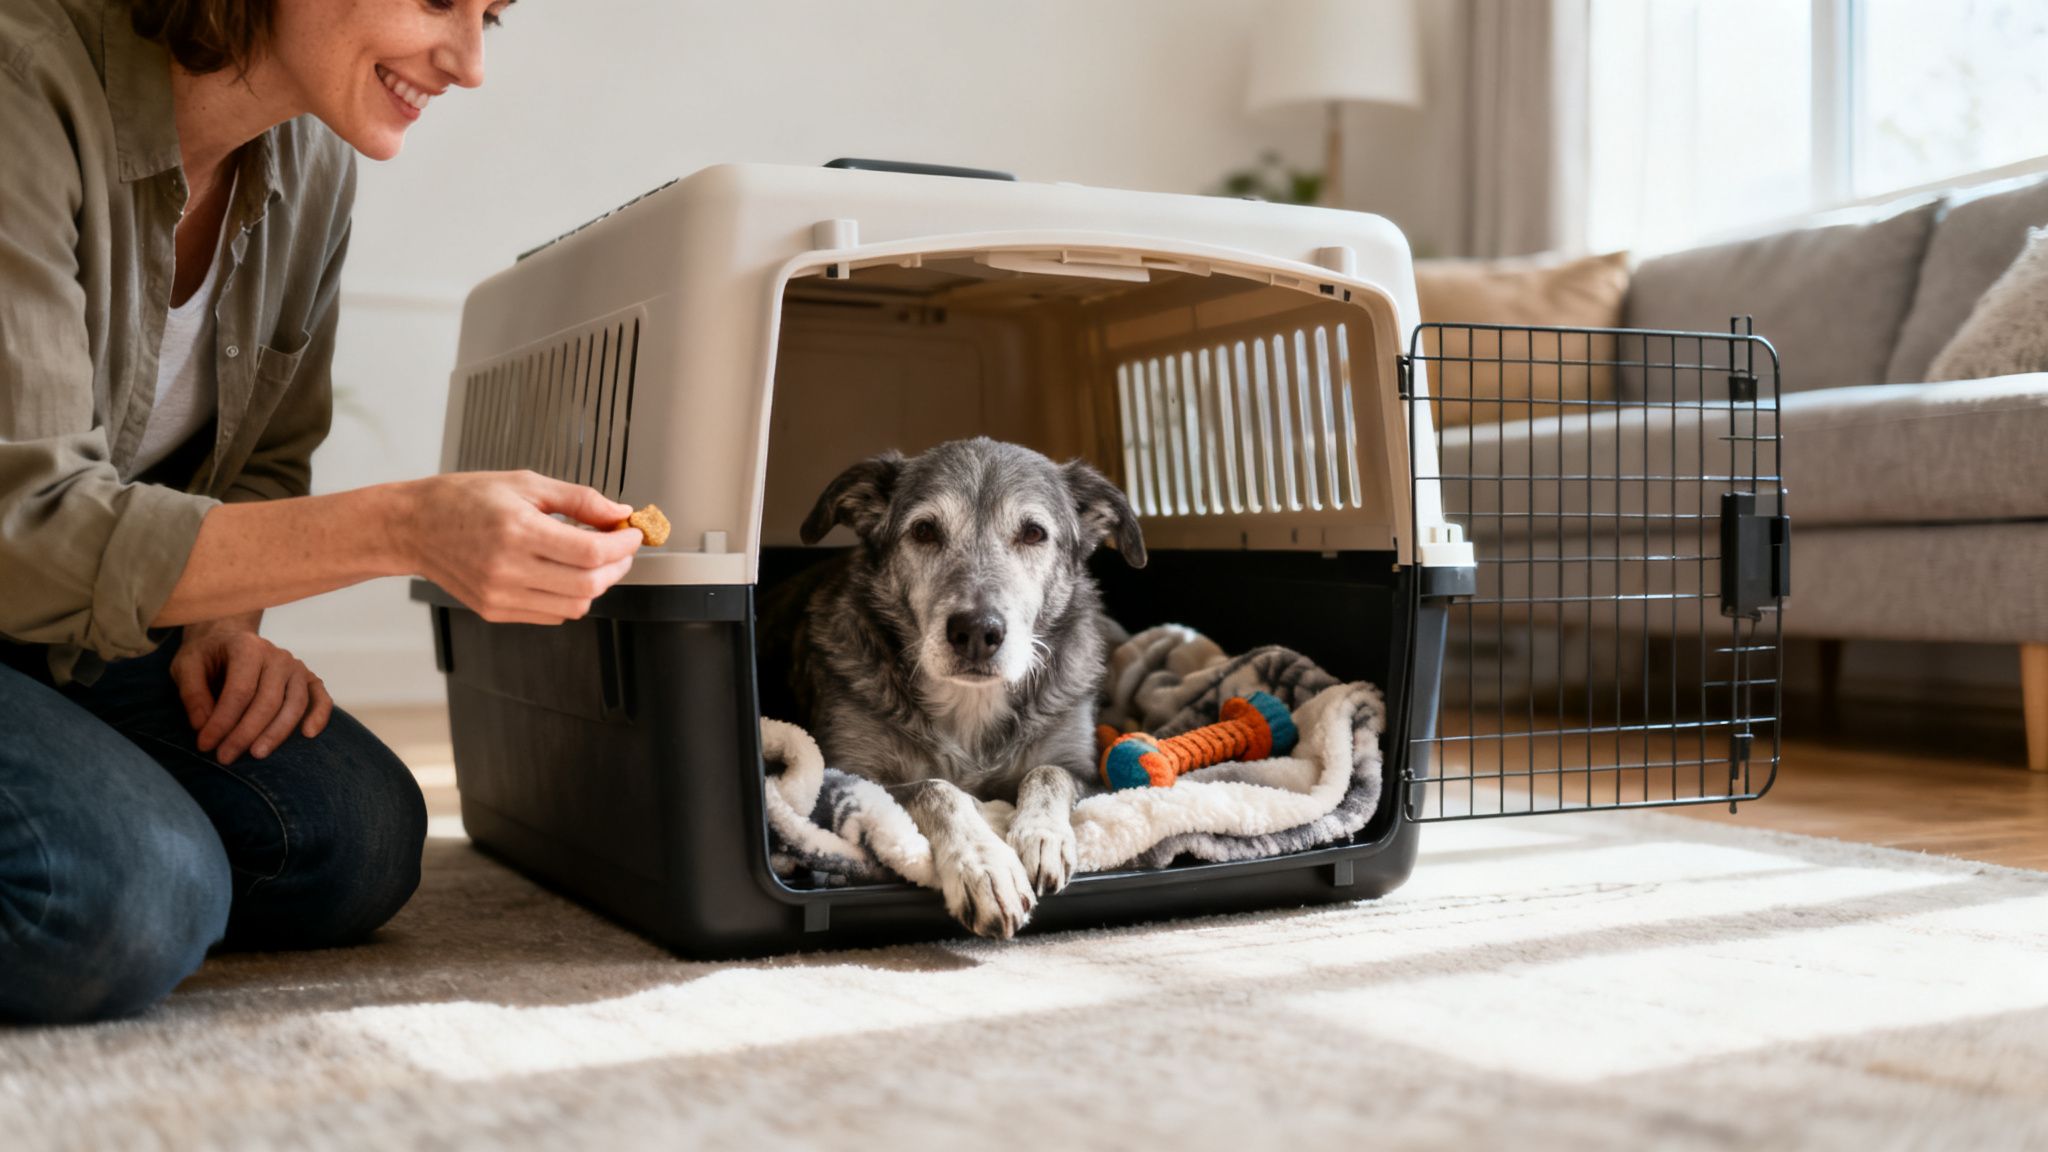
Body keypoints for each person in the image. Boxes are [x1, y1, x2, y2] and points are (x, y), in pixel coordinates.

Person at [0, 0, 643, 1024]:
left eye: (492, 17)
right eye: (439, 2)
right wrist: (407, 528)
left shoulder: (308, 166)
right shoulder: (19, 78)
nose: (470, 63)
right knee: (124, 898)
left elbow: (264, 459)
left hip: (64, 635)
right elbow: (25, 527)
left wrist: (219, 624)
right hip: (22, 577)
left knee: (356, 838)